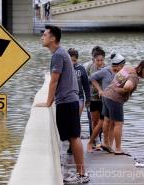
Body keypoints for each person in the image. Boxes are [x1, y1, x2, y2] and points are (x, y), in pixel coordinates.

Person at [36, 25, 89, 184]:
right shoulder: (60, 53)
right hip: (68, 100)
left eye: (44, 35)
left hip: (67, 101)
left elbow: (54, 80)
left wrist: (48, 102)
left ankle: (82, 175)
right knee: (73, 137)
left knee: (74, 137)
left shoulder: (58, 55)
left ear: (53, 38)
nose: (42, 37)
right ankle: (81, 173)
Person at [101, 60, 144, 155]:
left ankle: (106, 143)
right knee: (118, 124)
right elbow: (128, 86)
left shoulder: (128, 68)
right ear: (143, 70)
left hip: (106, 94)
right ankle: (118, 148)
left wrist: (115, 88)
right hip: (115, 99)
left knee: (107, 120)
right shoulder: (134, 77)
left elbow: (117, 77)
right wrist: (120, 90)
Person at [87, 51, 125, 153]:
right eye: (121, 65)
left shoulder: (120, 73)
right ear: (116, 65)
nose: (122, 68)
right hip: (104, 100)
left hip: (114, 101)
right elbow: (91, 78)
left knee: (112, 123)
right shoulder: (105, 71)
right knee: (101, 123)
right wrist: (99, 90)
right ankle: (90, 142)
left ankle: (108, 145)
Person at [66, 48, 91, 154]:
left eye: (74, 60)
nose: (72, 62)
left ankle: (74, 145)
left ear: (77, 60)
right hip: (66, 98)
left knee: (75, 120)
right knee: (68, 122)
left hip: (79, 97)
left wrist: (88, 99)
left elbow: (86, 84)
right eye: (70, 60)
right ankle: (71, 142)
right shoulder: (63, 68)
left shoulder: (81, 69)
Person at [86, 46, 106, 148]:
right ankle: (95, 140)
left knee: (102, 121)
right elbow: (86, 81)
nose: (100, 62)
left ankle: (99, 139)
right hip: (92, 97)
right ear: (93, 59)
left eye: (101, 60)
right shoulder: (89, 67)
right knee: (94, 121)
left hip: (103, 98)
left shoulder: (107, 68)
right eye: (97, 60)